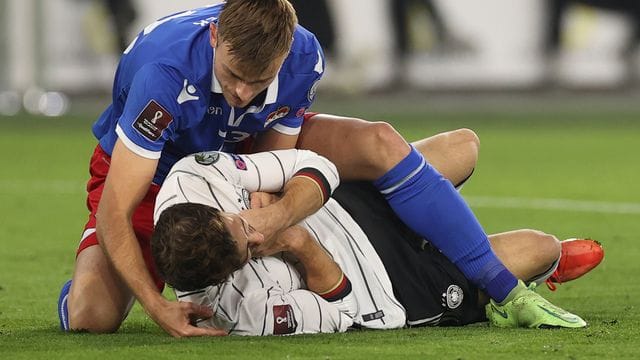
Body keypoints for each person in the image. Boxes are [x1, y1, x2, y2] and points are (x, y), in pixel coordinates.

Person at [58, 0, 326, 337]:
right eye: (233, 74)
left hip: (235, 163)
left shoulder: (304, 57)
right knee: (92, 317)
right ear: (214, 35)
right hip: (152, 172)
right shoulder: (163, 73)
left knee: (376, 143)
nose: (242, 93)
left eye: (259, 81)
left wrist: (266, 205)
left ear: (283, 58)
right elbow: (114, 213)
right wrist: (157, 308)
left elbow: (273, 163)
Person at [150, 146, 603, 334]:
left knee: (464, 146)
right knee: (541, 245)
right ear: (232, 270)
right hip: (391, 286)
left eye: (239, 220)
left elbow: (316, 165)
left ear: (211, 210)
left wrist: (277, 211)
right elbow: (343, 308)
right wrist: (299, 244)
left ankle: (446, 228)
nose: (255, 229)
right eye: (249, 244)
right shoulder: (239, 314)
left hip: (345, 207)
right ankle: (540, 268)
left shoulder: (194, 176)